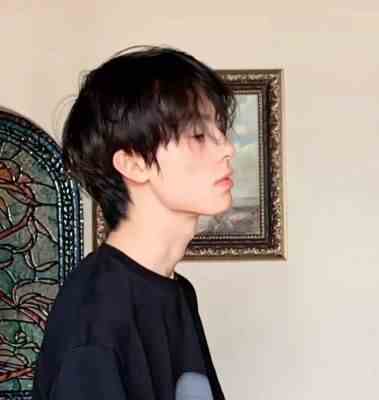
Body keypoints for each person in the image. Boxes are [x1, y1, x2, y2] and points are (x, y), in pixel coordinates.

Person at [32, 45, 236, 400]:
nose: (227, 148)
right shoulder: (95, 319)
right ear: (133, 164)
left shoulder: (175, 292)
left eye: (219, 128)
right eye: (198, 135)